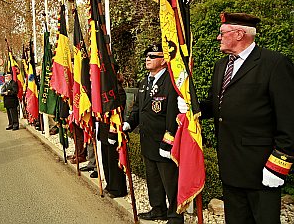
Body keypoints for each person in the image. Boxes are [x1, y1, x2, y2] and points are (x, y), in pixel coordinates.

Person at [188, 12, 294, 224]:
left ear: (239, 34)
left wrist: (279, 165)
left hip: (261, 168)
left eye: (222, 33)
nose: (218, 37)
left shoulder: (273, 64)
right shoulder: (221, 65)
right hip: (230, 164)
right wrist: (192, 107)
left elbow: (289, 118)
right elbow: (215, 105)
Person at [125, 43, 182, 223]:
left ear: (164, 60)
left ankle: (175, 216)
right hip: (147, 140)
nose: (147, 59)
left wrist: (169, 138)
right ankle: (158, 209)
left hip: (164, 142)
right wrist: (128, 123)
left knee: (170, 183)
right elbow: (138, 109)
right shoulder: (144, 82)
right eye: (146, 56)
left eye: (152, 56)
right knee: (153, 179)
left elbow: (173, 114)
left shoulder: (171, 83)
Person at [97, 69, 128, 198]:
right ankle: (110, 185)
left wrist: (112, 132)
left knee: (114, 161)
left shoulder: (117, 90)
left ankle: (118, 189)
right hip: (104, 130)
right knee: (106, 160)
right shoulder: (104, 89)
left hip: (113, 131)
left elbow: (117, 112)